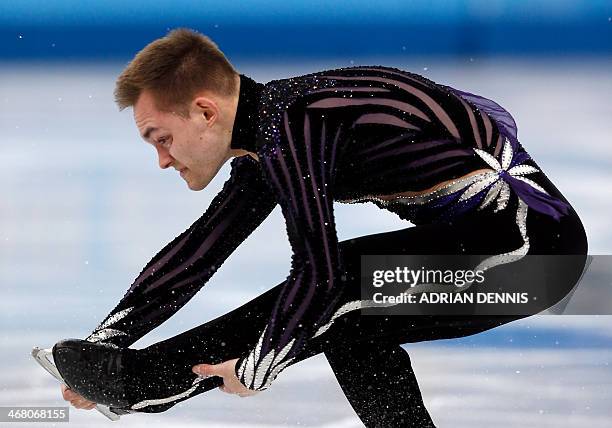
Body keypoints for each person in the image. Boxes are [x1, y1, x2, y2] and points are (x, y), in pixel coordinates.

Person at [56, 27, 588, 427]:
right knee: (351, 319)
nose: (162, 161)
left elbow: (321, 276)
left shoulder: (296, 127)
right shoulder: (273, 132)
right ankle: (136, 375)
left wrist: (261, 363)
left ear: (204, 111)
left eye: (160, 138)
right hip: (478, 245)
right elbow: (202, 249)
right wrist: (108, 341)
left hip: (535, 260)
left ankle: (148, 380)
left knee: (342, 291)